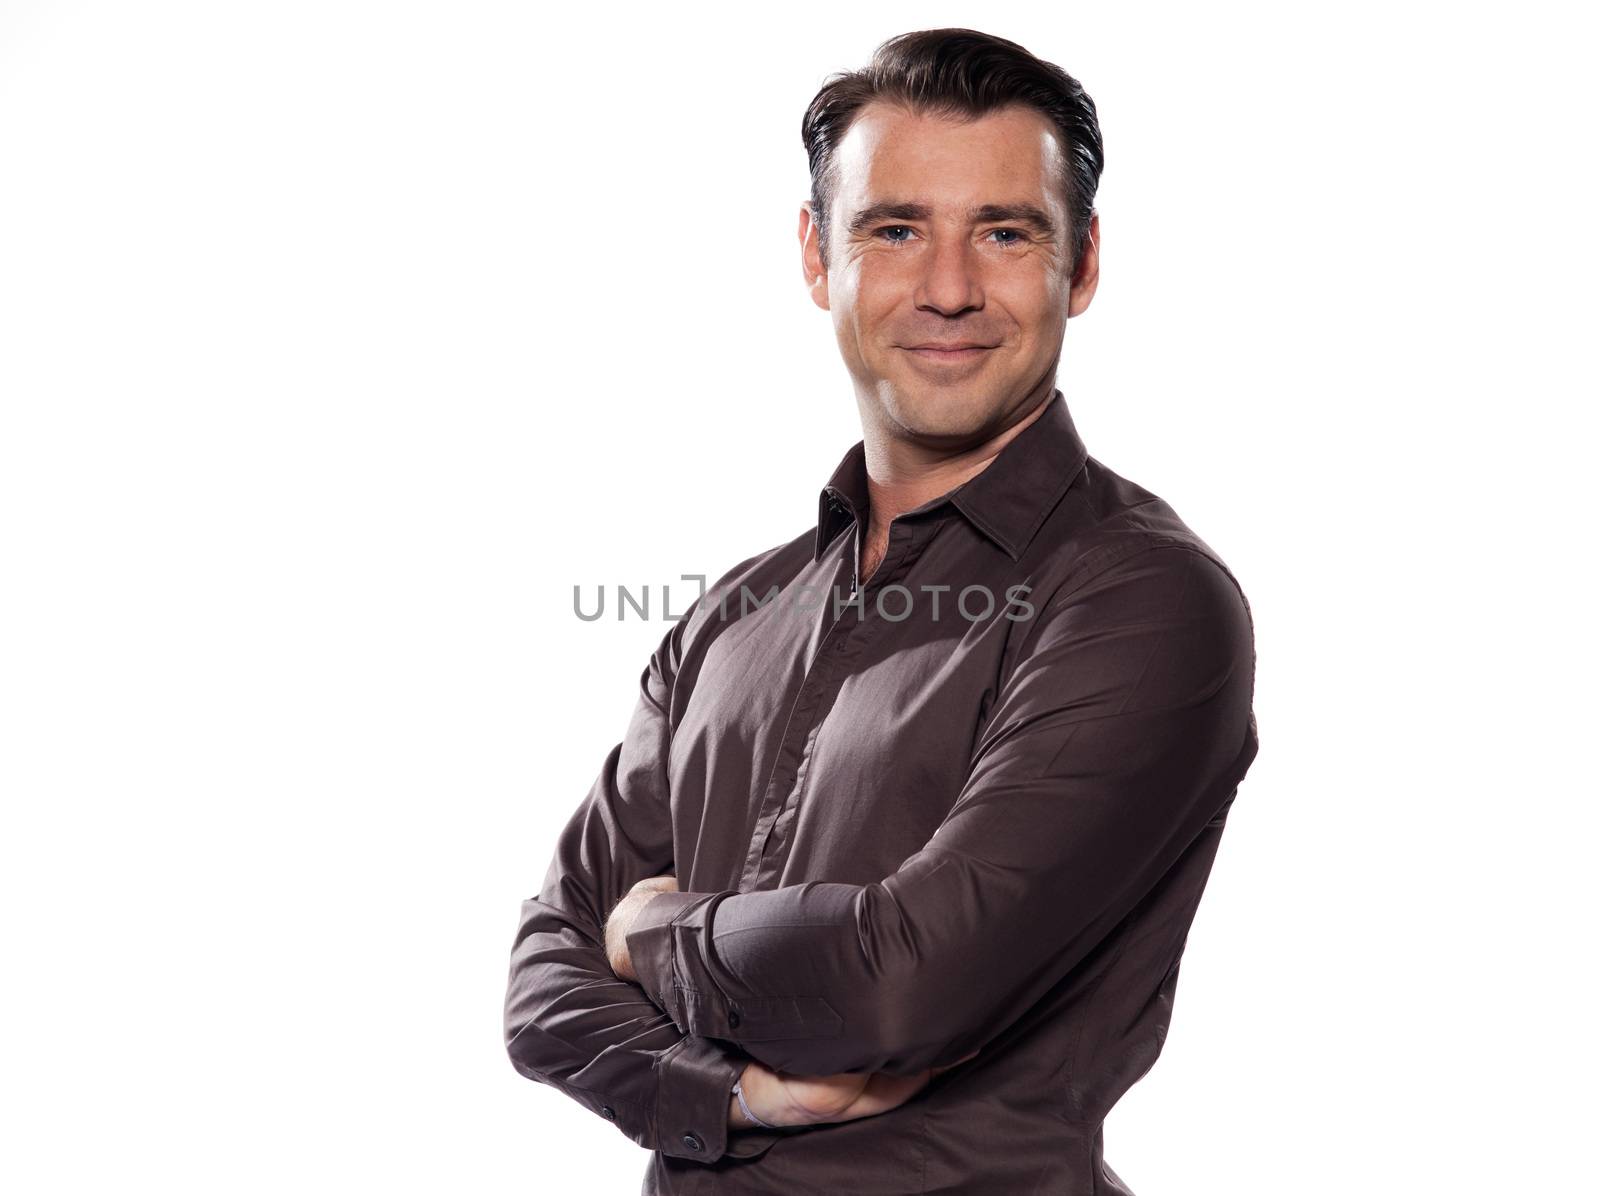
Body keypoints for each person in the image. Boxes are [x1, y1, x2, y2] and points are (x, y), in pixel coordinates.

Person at [503, 27, 1259, 1195]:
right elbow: (543, 975)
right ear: (817, 256)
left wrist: (653, 927)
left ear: (1083, 263)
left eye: (1005, 233)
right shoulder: (729, 619)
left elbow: (898, 980)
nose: (949, 288)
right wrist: (726, 1090)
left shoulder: (1143, 600)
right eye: (894, 228)